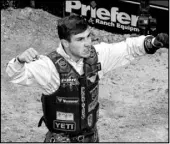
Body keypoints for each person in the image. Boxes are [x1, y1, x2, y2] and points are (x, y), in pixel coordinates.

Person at [6, 14, 168, 142]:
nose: (88, 43)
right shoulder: (48, 66)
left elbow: (127, 48)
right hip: (62, 140)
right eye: (80, 39)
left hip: (92, 137)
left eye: (88, 36)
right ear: (65, 43)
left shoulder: (97, 56)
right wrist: (19, 60)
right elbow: (14, 75)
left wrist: (152, 42)